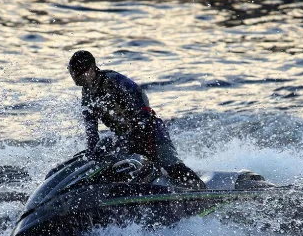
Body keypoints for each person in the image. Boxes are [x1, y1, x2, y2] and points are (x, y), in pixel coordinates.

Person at [67, 50, 206, 190]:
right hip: (125, 137)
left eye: (78, 73)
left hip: (150, 131)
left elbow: (140, 99)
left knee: (171, 165)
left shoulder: (113, 80)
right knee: (115, 168)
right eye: (72, 73)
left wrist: (139, 128)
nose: (76, 78)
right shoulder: (87, 93)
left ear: (91, 69)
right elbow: (91, 128)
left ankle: (202, 190)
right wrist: (93, 151)